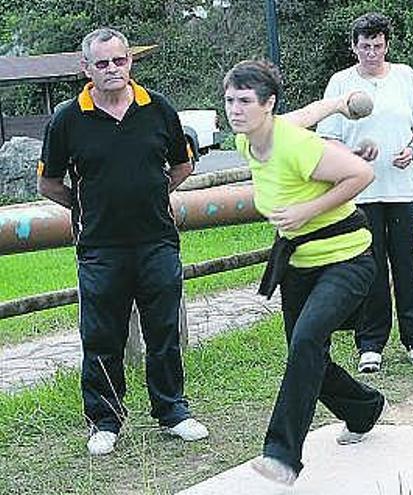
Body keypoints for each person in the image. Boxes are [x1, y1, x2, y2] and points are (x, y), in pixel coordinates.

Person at [36, 28, 208, 456]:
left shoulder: (159, 108)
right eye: (102, 63)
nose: (112, 69)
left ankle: (173, 412)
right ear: (86, 69)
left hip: (157, 242)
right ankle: (104, 421)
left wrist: (150, 193)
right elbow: (48, 182)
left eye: (120, 61)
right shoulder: (67, 118)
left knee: (163, 332)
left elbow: (182, 165)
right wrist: (84, 207)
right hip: (100, 248)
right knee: (100, 337)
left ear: (130, 61)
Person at [223, 60, 387, 487]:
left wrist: (306, 210)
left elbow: (361, 173)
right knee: (306, 352)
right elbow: (308, 113)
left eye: (244, 101)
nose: (234, 109)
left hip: (347, 258)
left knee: (307, 340)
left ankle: (282, 454)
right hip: (298, 264)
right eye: (229, 100)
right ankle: (363, 408)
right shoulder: (249, 141)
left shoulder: (296, 146)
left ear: (268, 105)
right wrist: (338, 104)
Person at [316, 12, 413, 374]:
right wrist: (352, 156)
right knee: (370, 265)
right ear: (354, 47)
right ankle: (370, 343)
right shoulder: (340, 83)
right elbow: (327, 138)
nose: (372, 52)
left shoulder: (406, 77)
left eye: (378, 45)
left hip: (401, 188)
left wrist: (412, 151)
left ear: (387, 45)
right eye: (365, 46)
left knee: (406, 263)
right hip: (360, 190)